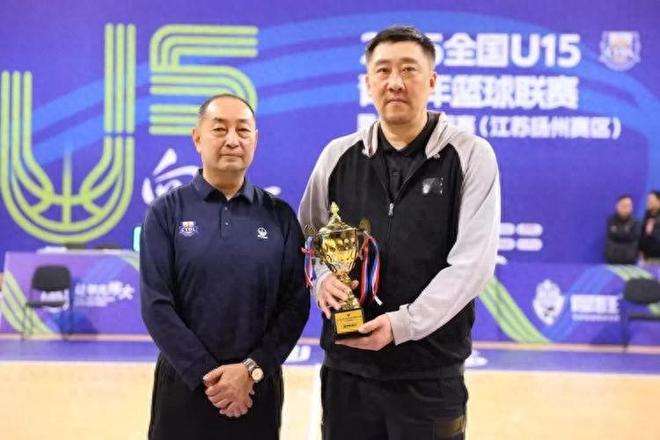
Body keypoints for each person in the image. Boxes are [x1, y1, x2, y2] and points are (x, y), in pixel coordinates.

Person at [299, 25, 500, 440]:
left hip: (430, 373)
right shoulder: (337, 156)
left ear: (432, 81)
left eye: (409, 69)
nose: (395, 82)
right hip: (347, 372)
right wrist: (321, 278)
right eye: (383, 70)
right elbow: (310, 235)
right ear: (367, 83)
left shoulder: (470, 156)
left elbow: (472, 265)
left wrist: (404, 325)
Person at [140, 94, 309, 440]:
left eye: (243, 130)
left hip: (256, 390)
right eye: (219, 129)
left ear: (255, 140)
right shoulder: (166, 212)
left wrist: (251, 369)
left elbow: (295, 305)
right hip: (184, 388)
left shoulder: (279, 216)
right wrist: (208, 376)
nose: (232, 140)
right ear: (197, 138)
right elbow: (156, 306)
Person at [604, 195, 641, 264]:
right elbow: (611, 238)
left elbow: (632, 239)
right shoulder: (611, 221)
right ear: (617, 206)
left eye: (628, 206)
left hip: (630, 261)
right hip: (612, 260)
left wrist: (619, 232)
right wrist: (625, 232)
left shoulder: (636, 223)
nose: (626, 208)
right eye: (623, 206)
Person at [640, 190, 660, 262]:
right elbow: (642, 235)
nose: (648, 202)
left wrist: (651, 232)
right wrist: (641, 250)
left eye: (651, 200)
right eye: (647, 200)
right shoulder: (647, 216)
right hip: (647, 258)